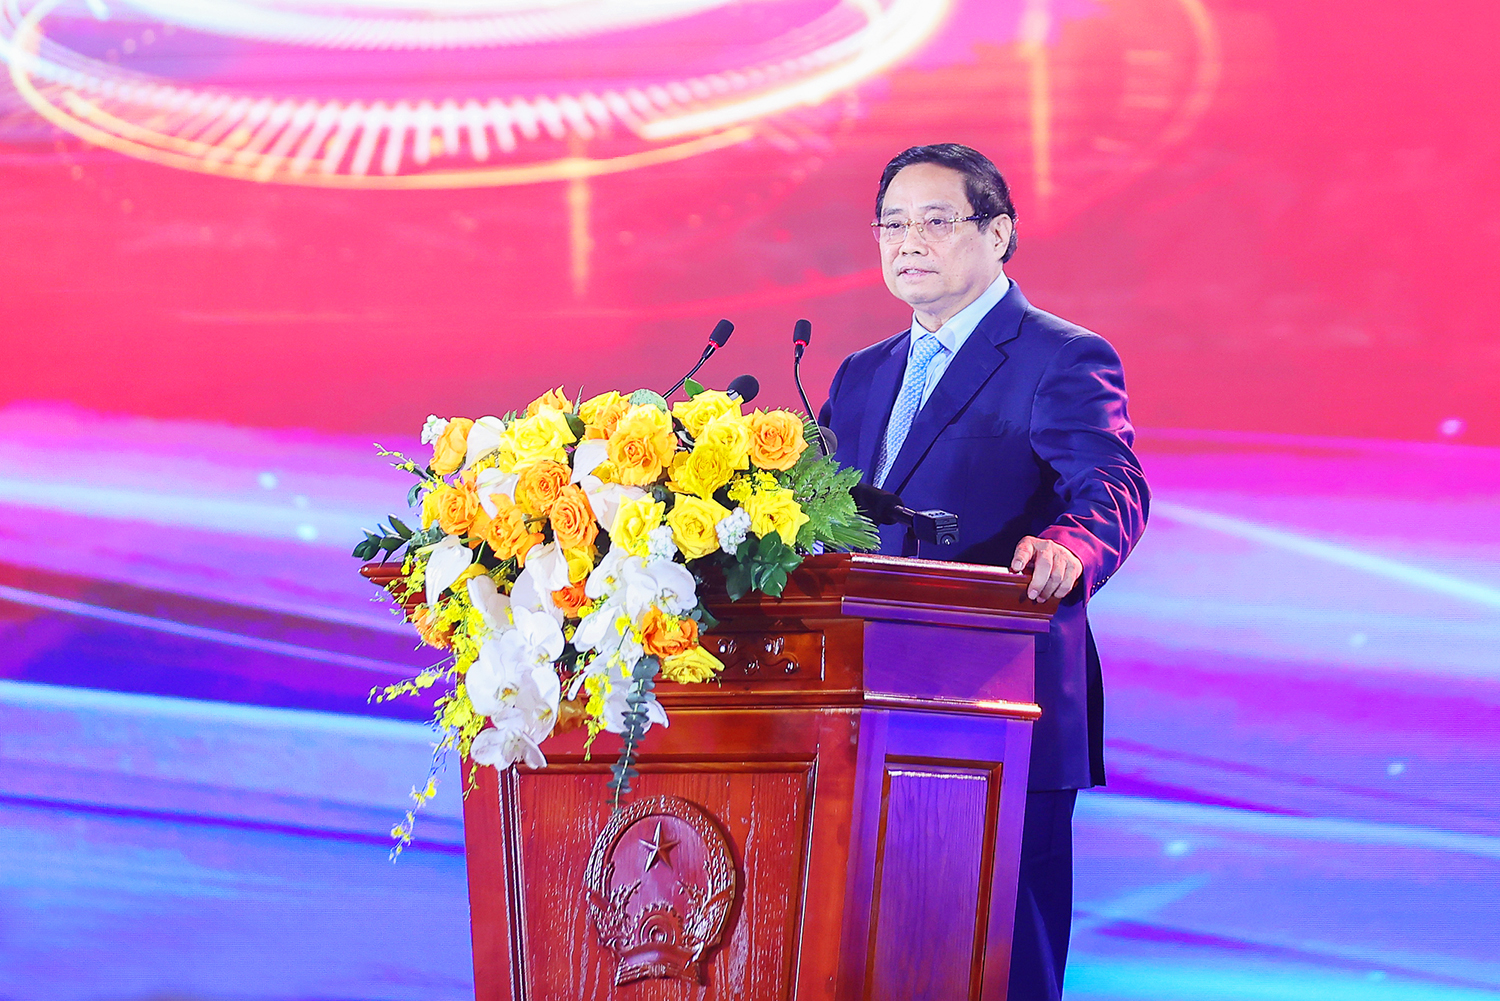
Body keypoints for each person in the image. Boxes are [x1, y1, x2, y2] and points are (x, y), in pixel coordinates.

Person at [819, 144, 1149, 999]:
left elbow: (1112, 488)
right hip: (863, 709)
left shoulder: (1060, 356)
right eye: (893, 223)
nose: (909, 241)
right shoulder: (860, 374)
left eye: (936, 220)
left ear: (998, 233)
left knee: (1003, 963)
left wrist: (1070, 547)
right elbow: (816, 519)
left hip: (1000, 705)